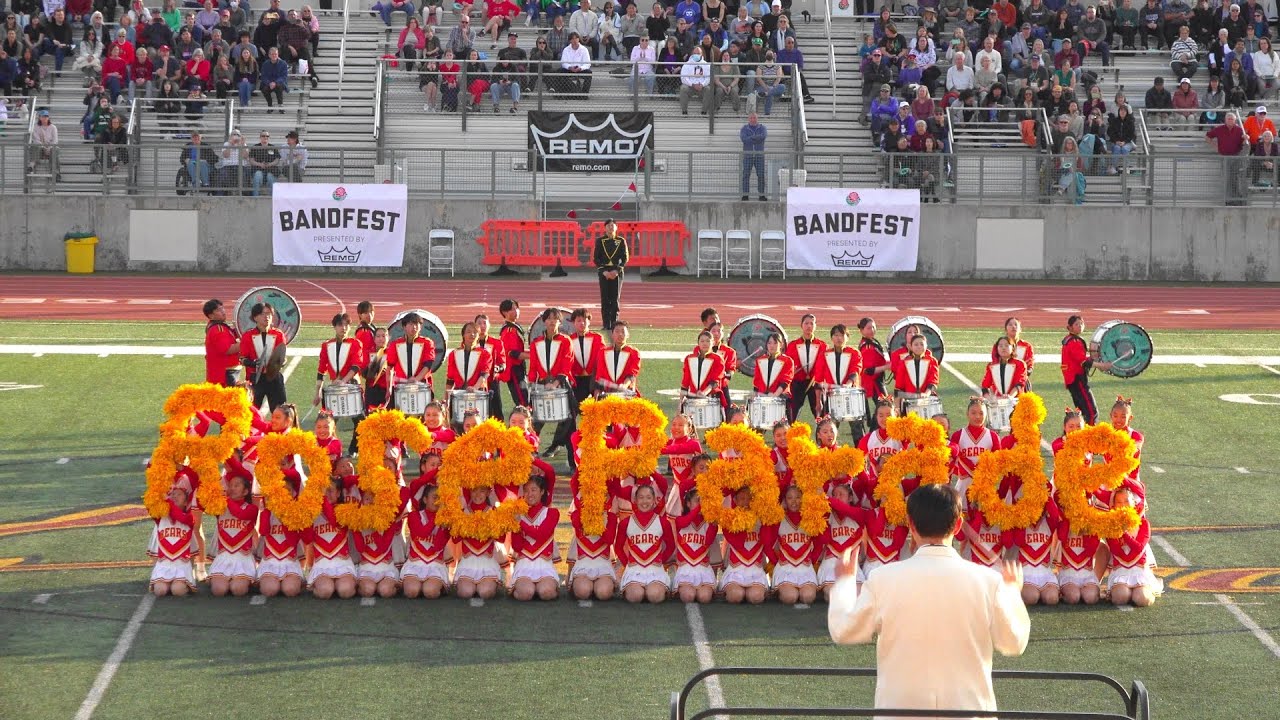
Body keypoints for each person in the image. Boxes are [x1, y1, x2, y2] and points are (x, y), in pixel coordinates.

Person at [828, 484, 1030, 714]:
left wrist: (844, 581)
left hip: (901, 712)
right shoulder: (989, 581)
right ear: (957, 525)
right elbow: (1014, 642)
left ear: (911, 525)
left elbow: (843, 631)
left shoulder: (882, 578)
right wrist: (1013, 591)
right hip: (968, 711)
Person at [207, 471, 258, 597]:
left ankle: (243, 580)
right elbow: (203, 505)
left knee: (238, 590)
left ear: (245, 492)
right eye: (230, 485)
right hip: (223, 557)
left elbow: (240, 514)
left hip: (242, 558)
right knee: (219, 591)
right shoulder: (220, 507)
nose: (232, 488)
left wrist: (226, 499)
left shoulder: (251, 509)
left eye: (236, 485)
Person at [1060, 314, 1112, 424]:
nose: (1080, 326)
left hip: (1072, 381)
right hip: (1077, 380)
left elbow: (1079, 359)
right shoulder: (1074, 342)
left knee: (1081, 412)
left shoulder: (1069, 340)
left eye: (1081, 324)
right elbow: (1084, 362)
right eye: (1076, 324)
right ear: (1069, 327)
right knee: (1091, 413)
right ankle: (1091, 434)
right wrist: (1103, 365)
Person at [1206, 111, 1247, 205]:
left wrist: (1246, 138)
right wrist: (1215, 146)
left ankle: (1237, 199)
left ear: (1235, 120)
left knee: (1235, 178)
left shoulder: (1239, 129)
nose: (1230, 120)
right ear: (1225, 120)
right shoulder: (1219, 129)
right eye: (1228, 119)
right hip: (1224, 157)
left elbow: (1243, 142)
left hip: (1236, 157)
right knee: (1227, 178)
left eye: (1232, 119)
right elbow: (1208, 136)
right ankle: (1228, 200)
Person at [203, 298, 241, 385]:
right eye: (218, 310)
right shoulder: (218, 329)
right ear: (211, 316)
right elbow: (227, 349)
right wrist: (247, 341)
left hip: (226, 372)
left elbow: (233, 334)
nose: (223, 311)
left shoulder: (220, 327)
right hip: (224, 375)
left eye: (222, 308)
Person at [739, 111, 767, 201]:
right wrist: (755, 138)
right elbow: (744, 139)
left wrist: (751, 137)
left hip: (759, 156)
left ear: (757, 119)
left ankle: (761, 195)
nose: (753, 119)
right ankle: (745, 195)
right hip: (748, 156)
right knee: (746, 175)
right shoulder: (744, 128)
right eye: (751, 118)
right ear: (748, 119)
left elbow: (763, 136)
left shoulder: (762, 128)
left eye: (754, 118)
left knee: (761, 175)